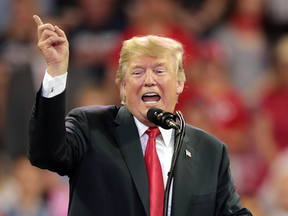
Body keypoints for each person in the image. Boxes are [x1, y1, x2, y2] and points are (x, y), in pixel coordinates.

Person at [28, 15, 252, 216]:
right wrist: (56, 72)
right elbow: (46, 154)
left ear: (180, 83)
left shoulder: (210, 150)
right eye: (137, 72)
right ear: (123, 87)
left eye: (159, 70)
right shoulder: (90, 127)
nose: (149, 80)